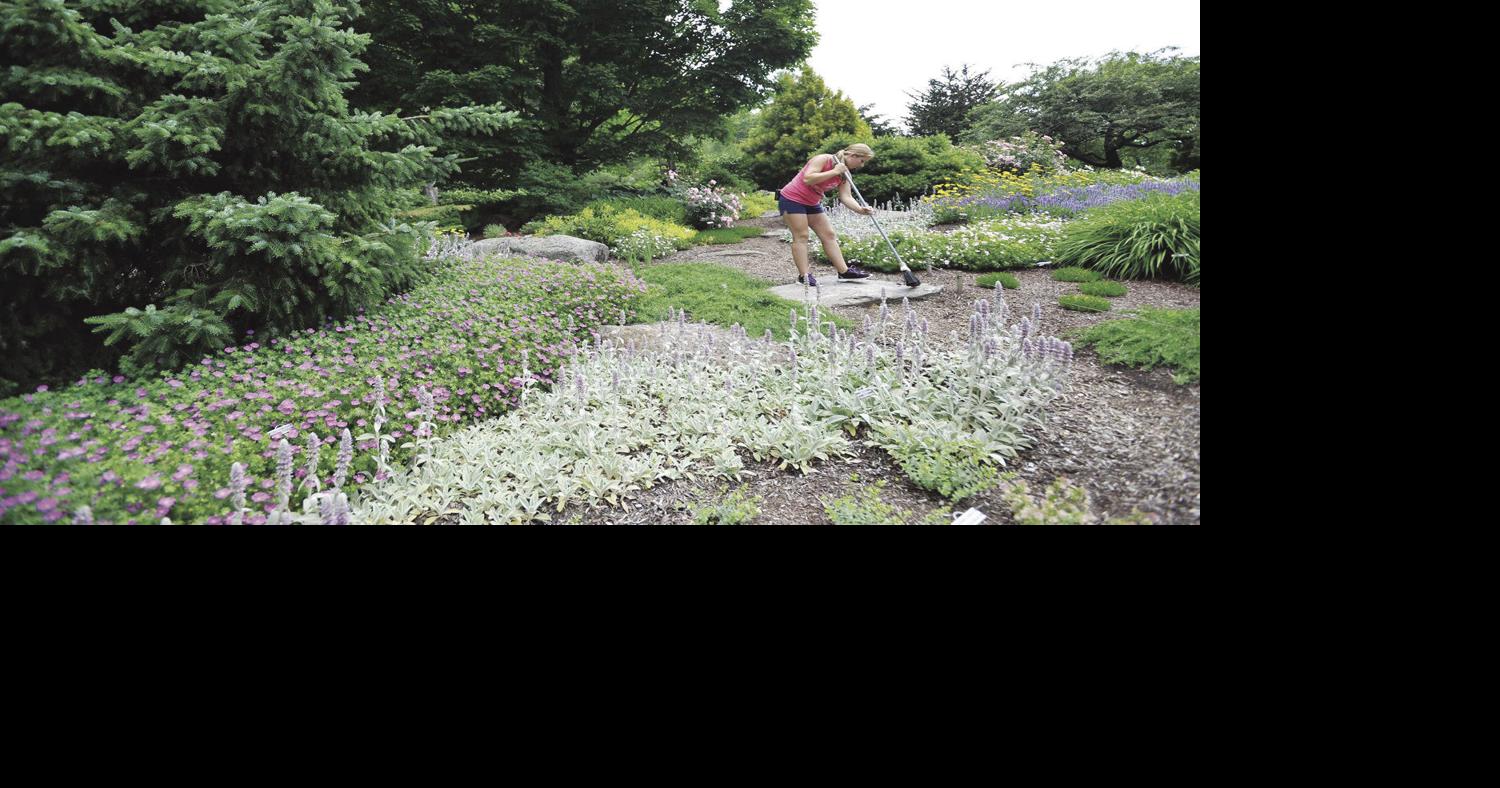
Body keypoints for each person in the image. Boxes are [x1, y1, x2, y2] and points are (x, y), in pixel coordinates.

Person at [778, 144, 876, 286]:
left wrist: (861, 210)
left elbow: (846, 197)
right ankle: (804, 276)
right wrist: (835, 171)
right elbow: (808, 178)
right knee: (801, 236)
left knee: (829, 235)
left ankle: (844, 272)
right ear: (853, 155)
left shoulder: (845, 173)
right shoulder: (824, 159)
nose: (862, 165)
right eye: (862, 160)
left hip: (811, 202)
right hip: (791, 199)